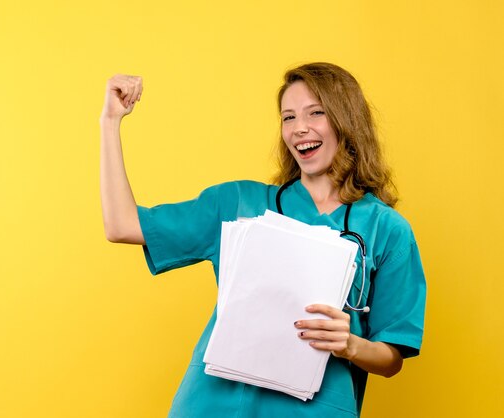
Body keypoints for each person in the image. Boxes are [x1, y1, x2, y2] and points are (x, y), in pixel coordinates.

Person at [99, 63, 426, 418]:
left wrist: (349, 344)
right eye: (288, 117)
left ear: (347, 121)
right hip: (211, 405)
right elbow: (122, 225)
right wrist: (110, 122)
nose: (299, 128)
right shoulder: (238, 203)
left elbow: (391, 358)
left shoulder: (387, 229)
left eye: (315, 113)